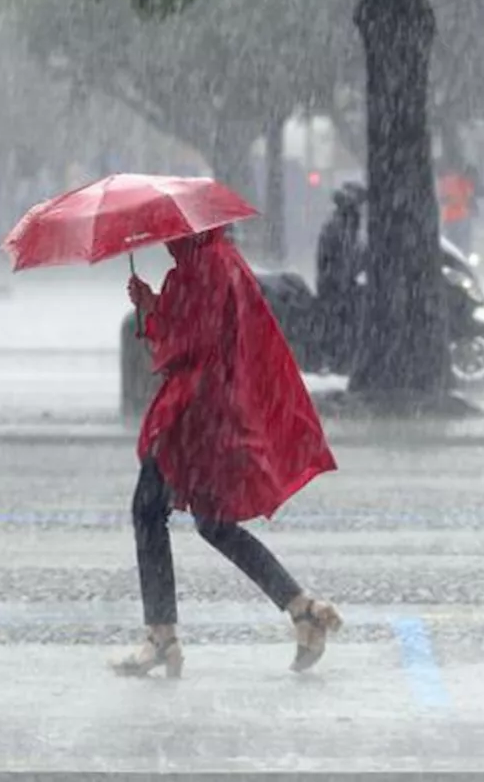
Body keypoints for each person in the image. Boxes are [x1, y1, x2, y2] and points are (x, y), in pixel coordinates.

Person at [117, 227, 343, 678]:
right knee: (214, 523)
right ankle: (303, 609)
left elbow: (190, 343)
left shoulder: (208, 266)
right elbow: (192, 333)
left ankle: (162, 636)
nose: (167, 237)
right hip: (211, 411)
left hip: (196, 414)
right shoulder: (211, 262)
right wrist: (153, 306)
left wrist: (156, 311)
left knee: (148, 511)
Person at [315, 183, 367, 360]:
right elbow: (345, 258)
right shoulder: (340, 226)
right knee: (340, 322)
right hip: (336, 285)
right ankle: (337, 357)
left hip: (337, 283)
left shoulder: (342, 224)